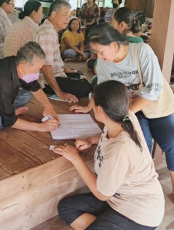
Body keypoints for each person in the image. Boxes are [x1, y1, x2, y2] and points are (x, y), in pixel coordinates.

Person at [71, 23, 174, 214]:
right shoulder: (104, 63)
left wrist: (127, 113)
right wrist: (89, 105)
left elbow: (153, 88)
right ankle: (130, 190)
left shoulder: (142, 51)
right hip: (127, 110)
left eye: (100, 51)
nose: (98, 57)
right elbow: (102, 89)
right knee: (138, 144)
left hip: (153, 106)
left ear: (114, 45)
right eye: (95, 52)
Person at [55, 81, 164, 229]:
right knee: (66, 207)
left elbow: (101, 194)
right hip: (117, 198)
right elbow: (106, 134)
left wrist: (75, 158)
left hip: (139, 212)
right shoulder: (124, 117)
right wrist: (91, 140)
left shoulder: (119, 149)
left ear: (99, 110)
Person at [34, 0, 92, 102]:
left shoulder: (51, 29)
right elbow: (45, 66)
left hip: (56, 72)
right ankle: (54, 89)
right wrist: (60, 93)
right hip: (46, 80)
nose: (67, 19)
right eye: (65, 15)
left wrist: (65, 69)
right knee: (85, 87)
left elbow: (53, 59)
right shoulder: (47, 33)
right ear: (54, 14)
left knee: (78, 73)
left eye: (69, 16)